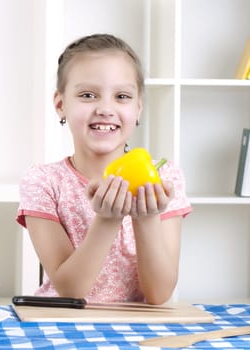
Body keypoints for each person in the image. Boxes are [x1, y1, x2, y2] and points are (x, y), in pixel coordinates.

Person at [16, 33, 192, 305]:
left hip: (136, 325)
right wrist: (107, 220)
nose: (106, 109)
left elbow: (159, 294)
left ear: (138, 107)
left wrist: (145, 218)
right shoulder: (43, 181)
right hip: (63, 323)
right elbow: (70, 291)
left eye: (122, 96)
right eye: (88, 95)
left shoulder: (164, 177)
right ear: (61, 104)